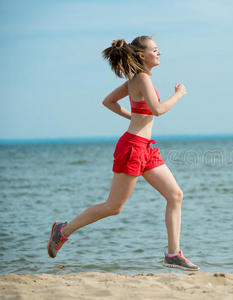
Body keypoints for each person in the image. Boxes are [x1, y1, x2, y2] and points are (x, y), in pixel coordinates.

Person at [46, 35, 199, 271]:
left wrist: (135, 117)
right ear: (141, 55)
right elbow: (157, 110)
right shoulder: (142, 79)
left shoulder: (137, 80)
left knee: (175, 195)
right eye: (155, 50)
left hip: (146, 147)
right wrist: (178, 94)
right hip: (133, 147)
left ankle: (173, 254)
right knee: (113, 206)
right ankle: (63, 230)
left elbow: (109, 101)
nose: (159, 53)